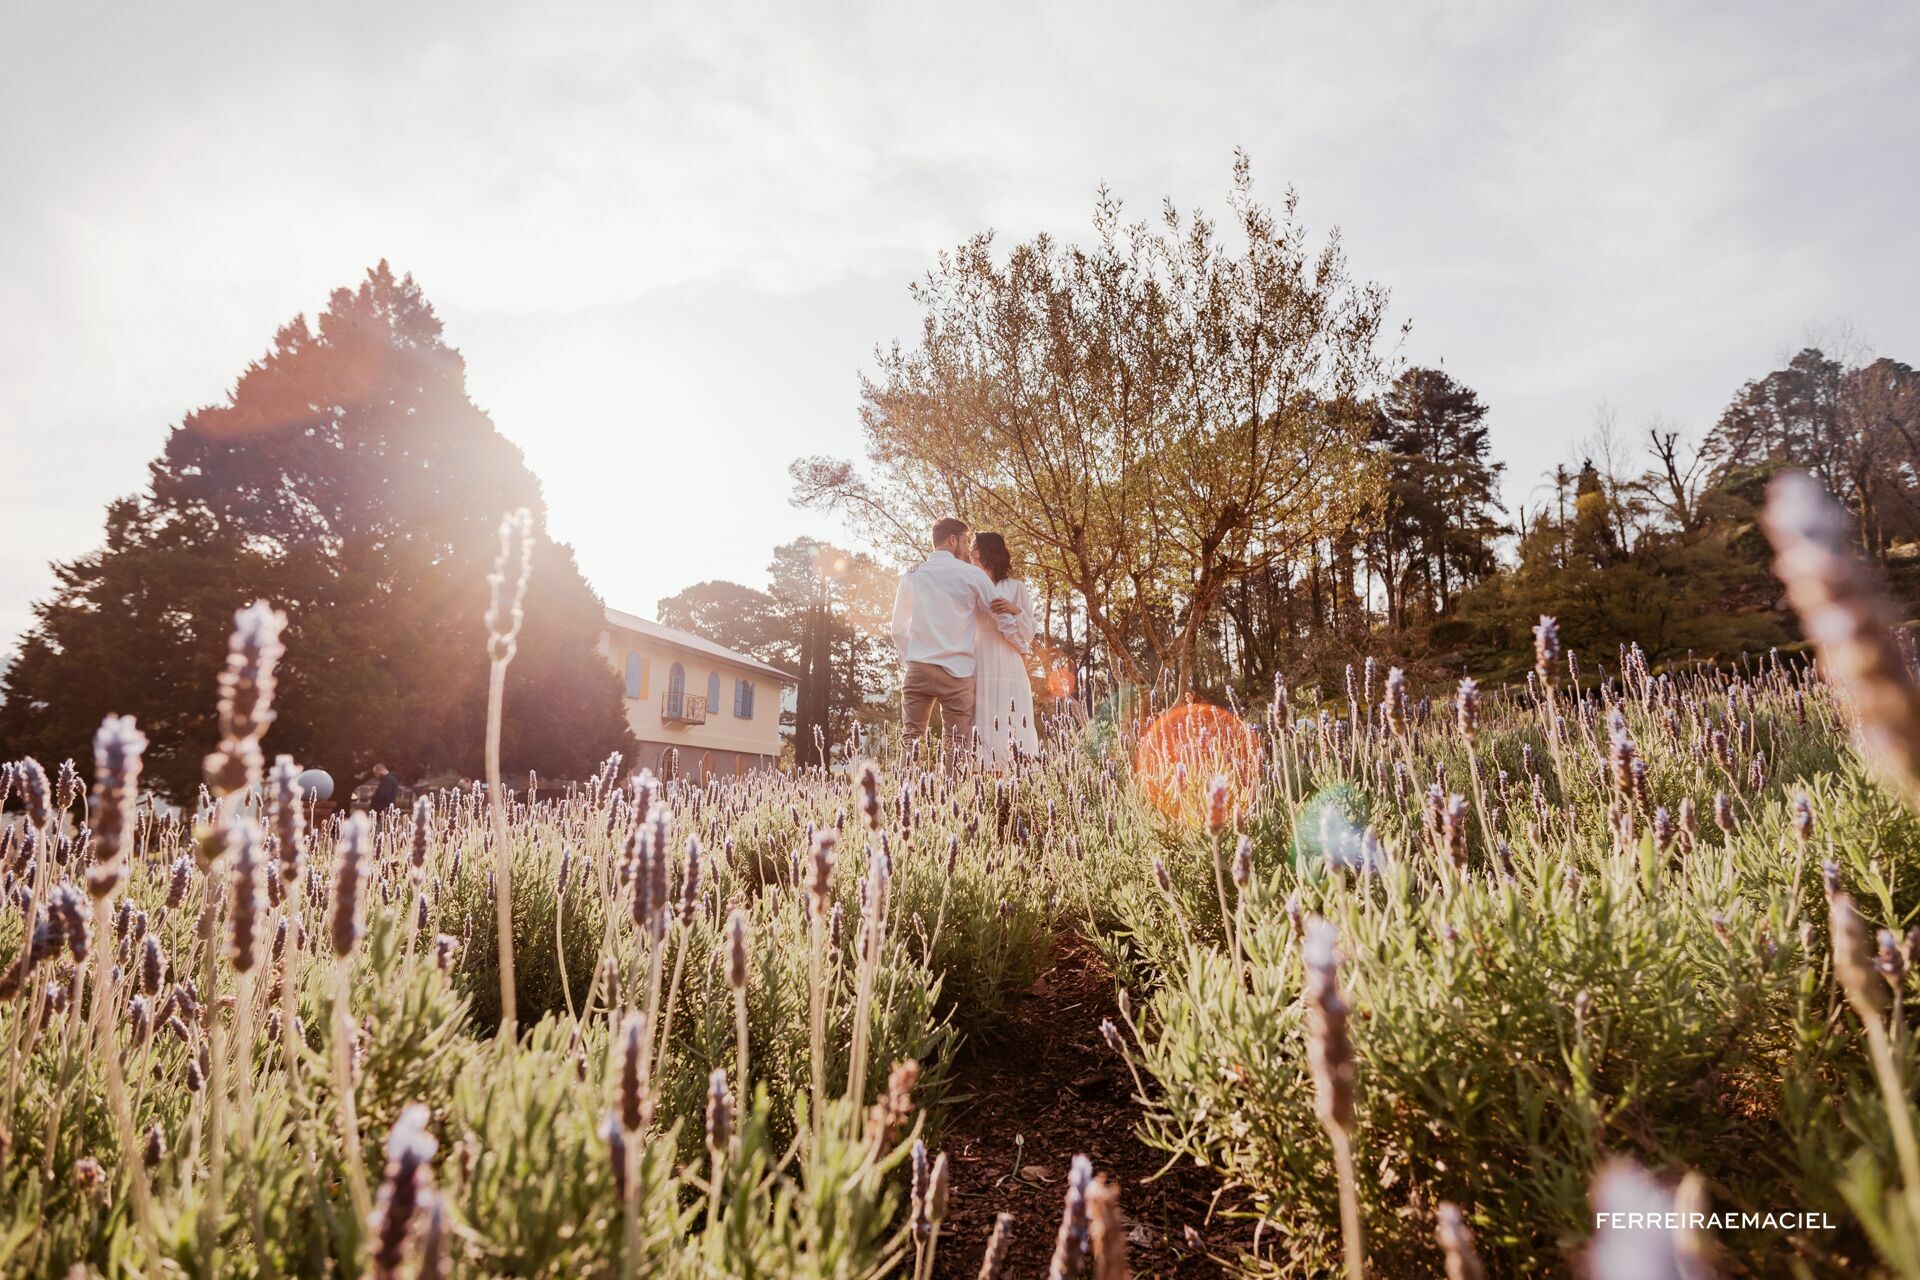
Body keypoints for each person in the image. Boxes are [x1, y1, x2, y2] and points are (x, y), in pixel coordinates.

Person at [891, 516, 1028, 753]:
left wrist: (911, 660)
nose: (966, 550)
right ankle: (953, 789)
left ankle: (909, 789)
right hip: (957, 673)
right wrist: (1022, 646)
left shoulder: (912, 575)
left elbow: (897, 629)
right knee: (956, 745)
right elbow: (1001, 616)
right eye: (965, 542)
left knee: (911, 739)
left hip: (919, 669)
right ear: (953, 540)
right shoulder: (972, 575)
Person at [968, 532, 1039, 766]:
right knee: (982, 712)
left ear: (990, 551)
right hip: (981, 653)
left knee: (1012, 712)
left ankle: (1017, 768)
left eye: (975, 547)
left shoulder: (1016, 587)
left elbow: (1029, 632)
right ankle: (983, 770)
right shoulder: (970, 582)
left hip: (1008, 656)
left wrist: (1014, 609)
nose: (970, 552)